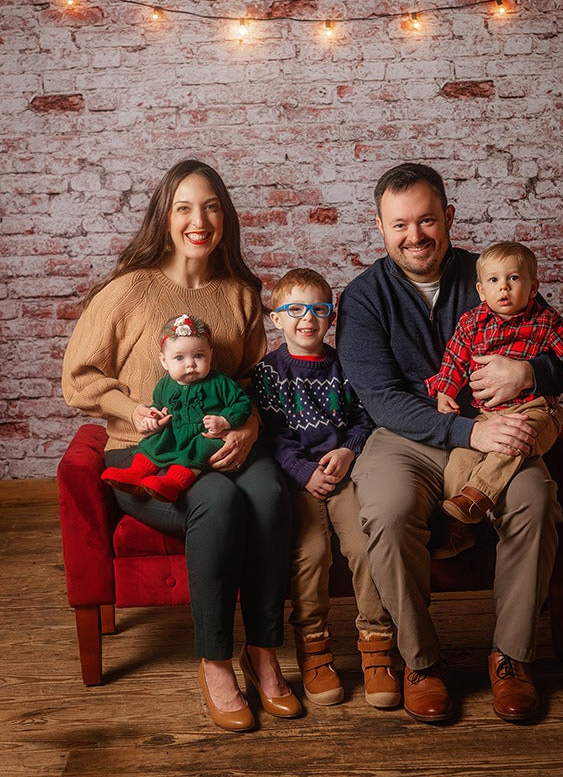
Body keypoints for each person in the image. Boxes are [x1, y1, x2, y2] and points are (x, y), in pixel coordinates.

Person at [62, 158, 301, 733]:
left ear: (226, 218)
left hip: (222, 442)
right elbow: (79, 377)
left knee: (270, 492)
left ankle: (263, 653)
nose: (200, 220)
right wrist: (133, 411)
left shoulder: (240, 294)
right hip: (145, 453)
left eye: (212, 206)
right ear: (165, 218)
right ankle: (216, 660)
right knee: (216, 500)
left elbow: (248, 381)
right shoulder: (128, 291)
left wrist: (246, 430)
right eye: (185, 207)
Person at [336, 161, 563, 724]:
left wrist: (529, 376)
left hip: (498, 436)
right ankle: (421, 662)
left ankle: (512, 658)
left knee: (536, 500)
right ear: (380, 227)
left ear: (448, 217)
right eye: (400, 225)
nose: (414, 235)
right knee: (389, 512)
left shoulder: (494, 273)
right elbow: (380, 398)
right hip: (405, 438)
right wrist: (466, 429)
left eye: (426, 220)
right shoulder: (365, 298)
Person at [253, 268, 401, 710]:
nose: (307, 319)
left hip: (342, 474)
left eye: (319, 310)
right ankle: (314, 650)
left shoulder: (343, 366)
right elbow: (271, 433)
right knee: (312, 552)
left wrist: (349, 452)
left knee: (362, 545)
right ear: (276, 319)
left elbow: (364, 417)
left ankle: (377, 645)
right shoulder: (271, 372)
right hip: (298, 479)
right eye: (295, 310)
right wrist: (303, 472)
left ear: (331, 317)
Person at [426, 241, 563, 526]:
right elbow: (455, 359)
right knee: (459, 459)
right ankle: (457, 525)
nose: (504, 288)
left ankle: (478, 495)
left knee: (514, 440)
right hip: (487, 414)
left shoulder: (544, 321)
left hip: (535, 410)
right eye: (494, 280)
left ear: (533, 288)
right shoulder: (471, 323)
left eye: (513, 278)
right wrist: (444, 392)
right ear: (481, 291)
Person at [101, 314, 254, 502]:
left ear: (210, 355)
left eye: (199, 355)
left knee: (200, 446)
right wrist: (153, 418)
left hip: (206, 433)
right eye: (179, 358)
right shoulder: (164, 385)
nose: (190, 363)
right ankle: (137, 473)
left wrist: (224, 420)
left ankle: (174, 483)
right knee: (156, 439)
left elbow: (243, 403)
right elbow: (157, 406)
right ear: (164, 361)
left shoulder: (220, 382)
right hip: (175, 430)